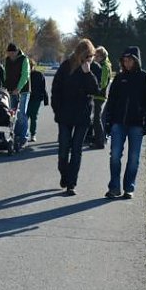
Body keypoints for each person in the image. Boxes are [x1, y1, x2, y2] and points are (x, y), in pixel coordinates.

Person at [104, 46, 146, 200]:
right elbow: (111, 101)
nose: (126, 64)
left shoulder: (144, 78)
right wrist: (108, 122)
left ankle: (129, 187)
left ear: (136, 61)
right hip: (118, 123)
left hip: (137, 125)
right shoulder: (119, 79)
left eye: (130, 60)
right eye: (124, 61)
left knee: (133, 158)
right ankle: (114, 188)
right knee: (115, 156)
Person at [50, 39, 99, 196]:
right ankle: (64, 174)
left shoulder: (93, 68)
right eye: (86, 56)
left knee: (77, 150)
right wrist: (57, 109)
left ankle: (71, 183)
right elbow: (56, 88)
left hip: (82, 116)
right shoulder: (66, 66)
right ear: (79, 54)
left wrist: (88, 73)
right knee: (64, 148)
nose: (88, 59)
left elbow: (95, 90)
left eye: (90, 56)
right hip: (65, 114)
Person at [4, 43, 31, 148]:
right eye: (8, 53)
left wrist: (18, 88)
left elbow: (25, 75)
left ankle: (24, 137)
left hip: (23, 91)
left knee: (22, 114)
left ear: (16, 52)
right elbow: (5, 74)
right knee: (12, 114)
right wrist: (4, 86)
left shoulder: (24, 59)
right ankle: (16, 135)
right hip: (10, 90)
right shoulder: (7, 60)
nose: (10, 55)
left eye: (12, 53)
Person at [86, 46, 111, 149]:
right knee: (96, 118)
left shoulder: (104, 66)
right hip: (98, 95)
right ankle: (96, 138)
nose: (95, 58)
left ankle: (100, 141)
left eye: (96, 56)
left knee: (97, 119)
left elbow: (103, 82)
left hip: (100, 96)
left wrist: (96, 89)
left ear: (102, 56)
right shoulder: (103, 64)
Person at [27, 60, 48, 142]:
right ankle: (24, 134)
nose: (30, 67)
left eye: (31, 66)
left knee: (33, 116)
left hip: (36, 98)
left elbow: (43, 87)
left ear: (33, 66)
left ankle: (33, 134)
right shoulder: (24, 75)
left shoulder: (39, 75)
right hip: (26, 98)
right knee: (25, 116)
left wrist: (46, 99)